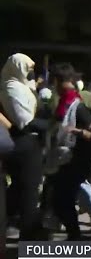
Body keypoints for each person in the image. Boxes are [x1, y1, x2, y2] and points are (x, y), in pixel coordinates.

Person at [0, 53, 49, 240]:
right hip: (23, 142)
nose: (30, 72)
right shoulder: (11, 88)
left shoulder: (21, 86)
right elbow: (24, 121)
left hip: (29, 141)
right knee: (29, 187)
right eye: (26, 68)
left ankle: (15, 223)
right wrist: (53, 125)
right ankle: (29, 233)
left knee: (22, 186)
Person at [46, 63, 91, 240]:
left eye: (57, 83)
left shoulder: (78, 106)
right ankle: (73, 235)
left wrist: (78, 131)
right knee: (60, 200)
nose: (56, 87)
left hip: (75, 161)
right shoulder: (63, 103)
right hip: (61, 160)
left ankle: (75, 237)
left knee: (63, 201)